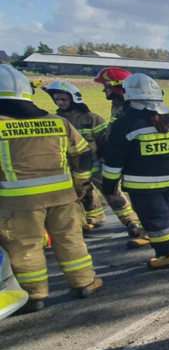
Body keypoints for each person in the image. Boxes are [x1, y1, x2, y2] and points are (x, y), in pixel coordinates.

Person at [0, 65, 104, 313]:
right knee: (71, 240)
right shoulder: (58, 122)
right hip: (63, 196)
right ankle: (84, 283)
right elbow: (83, 154)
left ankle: (33, 295)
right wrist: (81, 184)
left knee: (25, 247)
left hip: (18, 202)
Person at [101, 74, 169, 270]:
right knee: (166, 216)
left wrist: (109, 186)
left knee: (156, 220)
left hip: (143, 185)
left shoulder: (124, 124)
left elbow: (114, 161)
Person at [43, 80, 146, 243]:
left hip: (96, 163)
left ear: (73, 98)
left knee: (112, 193)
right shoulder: (57, 121)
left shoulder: (91, 119)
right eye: (57, 100)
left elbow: (105, 141)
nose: (60, 103)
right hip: (73, 167)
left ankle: (131, 219)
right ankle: (94, 218)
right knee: (84, 195)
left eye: (63, 99)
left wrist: (109, 160)